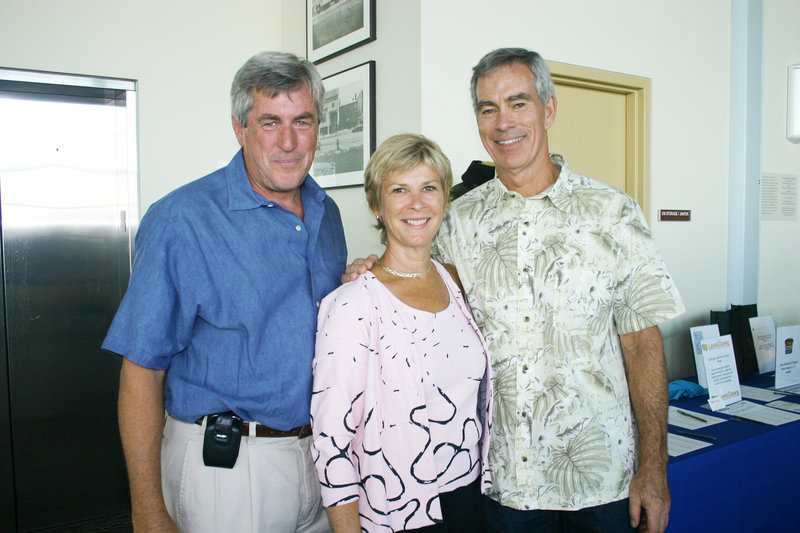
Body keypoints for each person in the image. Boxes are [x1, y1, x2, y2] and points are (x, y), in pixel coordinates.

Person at [346, 48, 684, 533]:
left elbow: (643, 345)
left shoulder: (613, 213)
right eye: (488, 108)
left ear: (548, 109)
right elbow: (419, 294)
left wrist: (655, 466)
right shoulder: (456, 222)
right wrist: (368, 272)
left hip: (603, 483)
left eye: (518, 103)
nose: (503, 122)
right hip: (504, 487)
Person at [102, 51, 346, 532]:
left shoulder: (327, 212)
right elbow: (141, 371)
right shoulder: (183, 219)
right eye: (270, 122)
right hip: (227, 471)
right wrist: (148, 512)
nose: (289, 142)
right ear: (240, 129)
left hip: (319, 463)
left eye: (303, 121)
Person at [311, 134, 492, 533]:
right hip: (400, 510)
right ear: (377, 205)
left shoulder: (456, 283)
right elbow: (331, 440)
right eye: (399, 190)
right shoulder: (352, 304)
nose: (417, 203)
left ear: (445, 198)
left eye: (429, 188)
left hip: (471, 498)